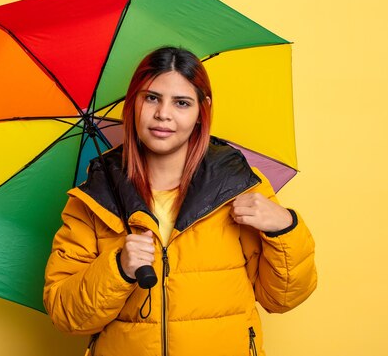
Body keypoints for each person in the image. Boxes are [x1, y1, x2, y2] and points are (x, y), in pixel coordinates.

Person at [43, 47, 317, 356]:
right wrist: (118, 268)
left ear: (202, 109)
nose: (163, 114)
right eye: (151, 98)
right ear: (133, 103)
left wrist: (285, 228)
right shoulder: (93, 198)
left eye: (182, 103)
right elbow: (66, 316)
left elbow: (282, 298)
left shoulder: (239, 187)